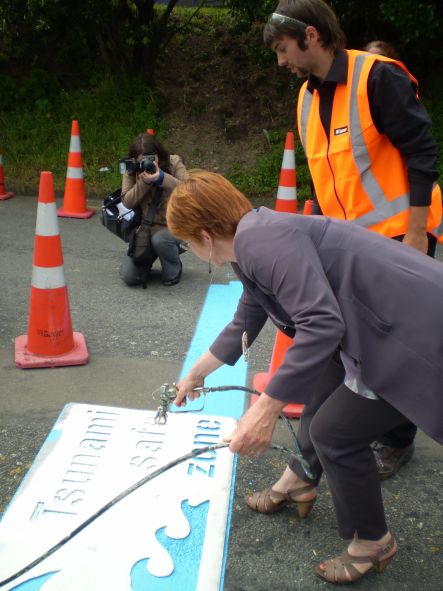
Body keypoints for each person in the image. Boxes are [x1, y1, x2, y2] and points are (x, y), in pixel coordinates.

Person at [166, 170, 443, 585]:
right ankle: (298, 480)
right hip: (376, 320)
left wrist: (264, 410)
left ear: (205, 235)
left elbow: (321, 324)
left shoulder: (261, 241)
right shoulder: (249, 240)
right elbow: (249, 315)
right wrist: (196, 374)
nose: (191, 250)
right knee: (322, 384)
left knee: (335, 433)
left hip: (407, 330)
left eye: (187, 242)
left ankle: (373, 542)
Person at [263, 0, 443, 480]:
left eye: (284, 49)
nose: (281, 61)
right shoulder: (306, 97)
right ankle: (335, 444)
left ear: (311, 36)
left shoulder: (377, 77)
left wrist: (417, 234)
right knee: (355, 347)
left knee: (400, 350)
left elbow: (422, 154)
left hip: (400, 240)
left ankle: (398, 440)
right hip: (351, 246)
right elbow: (329, 178)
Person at [119, 132, 187, 287]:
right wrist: (144, 182)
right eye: (142, 161)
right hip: (145, 228)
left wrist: (161, 177)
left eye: (151, 160)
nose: (147, 164)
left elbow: (189, 190)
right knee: (130, 277)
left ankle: (173, 268)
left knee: (160, 239)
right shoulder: (132, 168)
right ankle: (146, 262)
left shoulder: (173, 162)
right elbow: (127, 202)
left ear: (159, 155)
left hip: (172, 226)